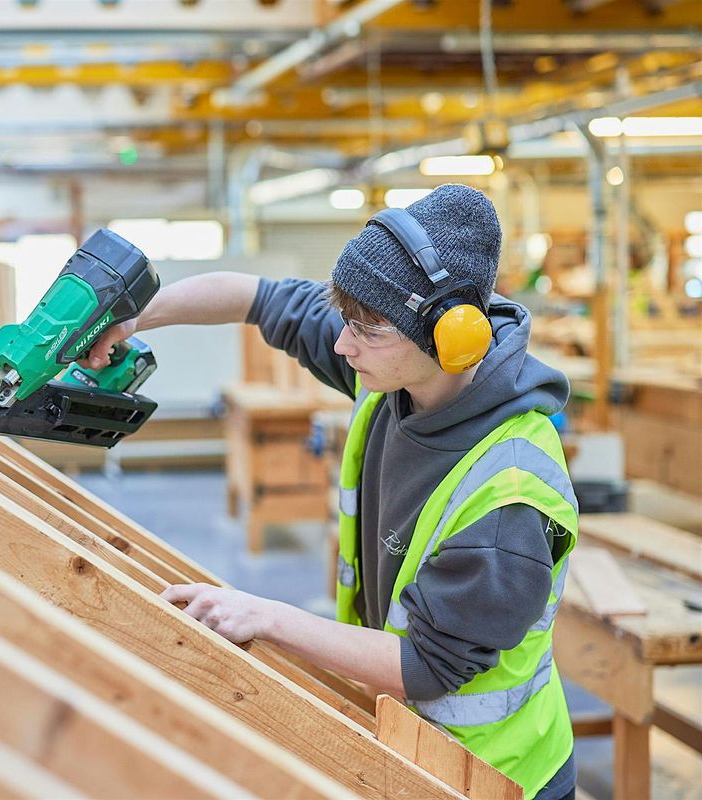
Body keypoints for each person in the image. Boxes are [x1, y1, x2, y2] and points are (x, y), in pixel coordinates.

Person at [82, 184, 578, 799]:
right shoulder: (398, 368)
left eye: (367, 331)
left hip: (493, 775)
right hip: (407, 742)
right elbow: (254, 297)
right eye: (347, 321)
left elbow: (428, 667)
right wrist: (133, 318)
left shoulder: (509, 496)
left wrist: (265, 613)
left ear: (454, 339)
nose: (343, 345)